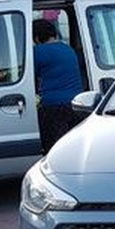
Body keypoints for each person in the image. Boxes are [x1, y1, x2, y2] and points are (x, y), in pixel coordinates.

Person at [32, 19, 87, 153]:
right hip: (76, 104)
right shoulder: (69, 49)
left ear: (37, 37)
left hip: (53, 106)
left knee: (54, 147)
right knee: (71, 145)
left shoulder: (38, 52)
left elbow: (28, 75)